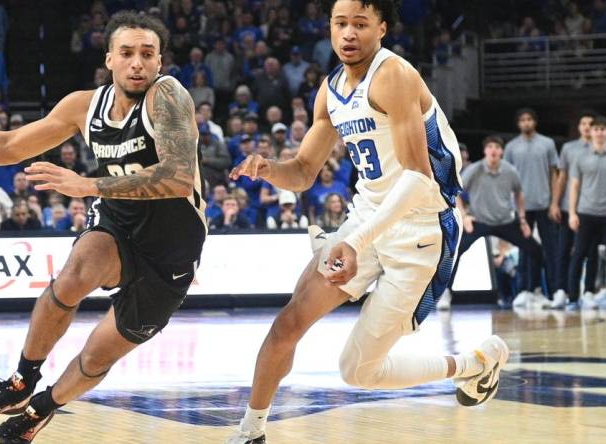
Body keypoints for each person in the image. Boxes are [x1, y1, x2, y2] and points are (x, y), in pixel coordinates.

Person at [0, 11, 205, 443]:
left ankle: (38, 411)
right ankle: (20, 381)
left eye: (147, 54)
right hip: (119, 221)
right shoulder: (83, 106)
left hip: (173, 246)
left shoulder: (168, 97)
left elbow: (178, 177)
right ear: (109, 59)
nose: (137, 63)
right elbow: (11, 145)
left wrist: (87, 184)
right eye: (127, 53)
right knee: (73, 275)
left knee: (96, 356)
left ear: (161, 62)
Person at [226, 2, 508, 442]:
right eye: (341, 24)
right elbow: (302, 172)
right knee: (289, 322)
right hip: (367, 222)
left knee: (358, 371)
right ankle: (250, 431)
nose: (349, 34)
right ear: (329, 29)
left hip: (421, 230)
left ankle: (473, 365)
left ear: (381, 28)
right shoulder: (331, 89)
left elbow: (417, 179)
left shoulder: (393, 75)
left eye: (360, 24)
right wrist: (268, 169)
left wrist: (354, 242)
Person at [437, 136, 543, 310]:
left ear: (501, 151)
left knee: (535, 249)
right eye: (490, 147)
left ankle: (534, 291)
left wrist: (522, 219)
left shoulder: (510, 170)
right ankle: (445, 293)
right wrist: (464, 217)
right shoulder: (474, 169)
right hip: (480, 221)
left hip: (505, 221)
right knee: (454, 252)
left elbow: (519, 194)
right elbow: (456, 193)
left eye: (497, 147)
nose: (493, 150)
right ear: (485, 151)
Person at [504, 108, 557, 307]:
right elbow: (506, 177)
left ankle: (553, 292)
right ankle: (525, 290)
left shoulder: (547, 144)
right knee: (525, 249)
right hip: (522, 207)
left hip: (544, 203)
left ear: (534, 122)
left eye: (529, 119)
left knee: (551, 249)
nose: (526, 123)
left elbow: (554, 174)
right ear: (518, 124)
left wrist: (554, 202)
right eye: (522, 120)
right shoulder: (511, 147)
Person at [549, 110, 599, 308]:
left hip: (591, 208)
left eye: (590, 124)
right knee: (563, 249)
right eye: (583, 123)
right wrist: (554, 202)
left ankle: (588, 291)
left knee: (590, 251)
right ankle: (561, 290)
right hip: (568, 207)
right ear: (579, 127)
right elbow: (562, 178)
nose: (587, 127)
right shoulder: (569, 149)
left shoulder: (600, 149)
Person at [567, 115, 606, 309]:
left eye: (603, 129)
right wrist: (572, 212)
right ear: (591, 132)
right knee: (579, 254)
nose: (599, 132)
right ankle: (572, 298)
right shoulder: (581, 157)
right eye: (596, 129)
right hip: (586, 212)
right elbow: (575, 186)